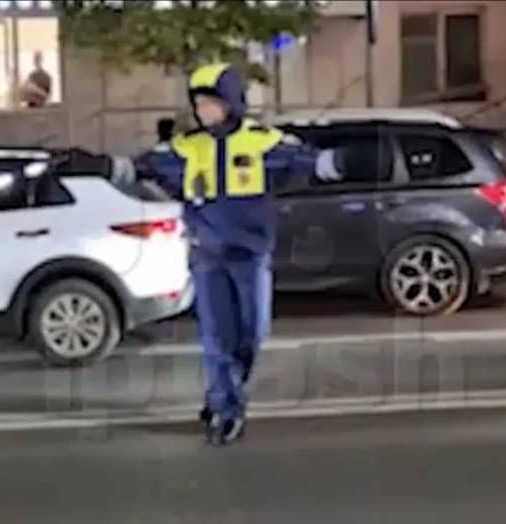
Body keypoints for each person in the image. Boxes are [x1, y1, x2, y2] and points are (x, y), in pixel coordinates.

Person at [112, 63, 342, 447]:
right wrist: (99, 166)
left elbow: (310, 163)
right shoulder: (186, 147)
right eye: (198, 104)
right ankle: (226, 409)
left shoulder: (263, 142)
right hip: (207, 256)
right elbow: (140, 167)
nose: (203, 111)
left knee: (253, 333)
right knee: (217, 338)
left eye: (210, 103)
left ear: (231, 102)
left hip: (250, 255)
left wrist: (346, 162)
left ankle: (223, 391)